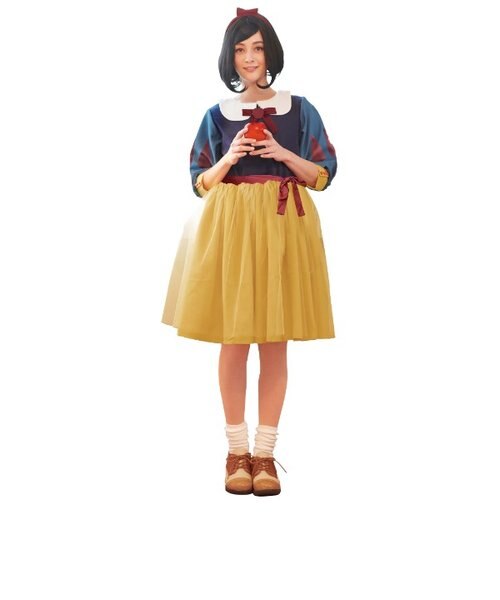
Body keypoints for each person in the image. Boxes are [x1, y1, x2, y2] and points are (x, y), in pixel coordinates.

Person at [161, 7, 338, 496]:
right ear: (230, 57)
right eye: (240, 49)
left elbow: (324, 175)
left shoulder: (300, 108)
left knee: (274, 340)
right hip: (232, 227)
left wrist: (282, 153)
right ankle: (236, 451)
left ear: (270, 52)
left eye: (257, 47)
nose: (249, 58)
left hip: (284, 226)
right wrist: (231, 155)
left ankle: (265, 453)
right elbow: (199, 182)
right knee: (234, 339)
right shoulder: (216, 114)